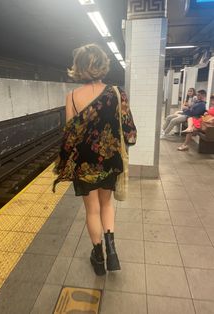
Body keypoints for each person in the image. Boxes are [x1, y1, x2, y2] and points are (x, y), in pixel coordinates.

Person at [52, 44, 137, 276]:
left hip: (85, 165)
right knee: (106, 204)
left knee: (92, 210)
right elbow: (130, 132)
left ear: (78, 67)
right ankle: (113, 253)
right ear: (103, 65)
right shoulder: (118, 93)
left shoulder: (71, 97)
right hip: (109, 161)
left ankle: (98, 258)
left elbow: (69, 136)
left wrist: (62, 165)